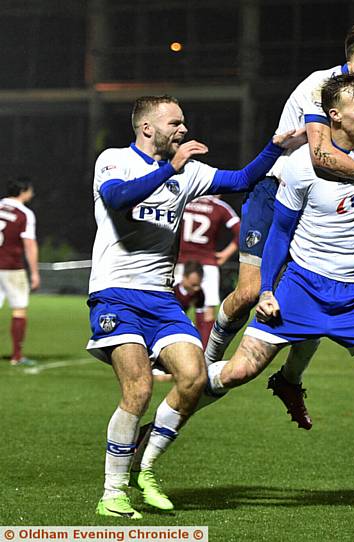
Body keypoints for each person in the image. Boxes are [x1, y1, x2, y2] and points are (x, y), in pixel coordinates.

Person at [203, 73, 354, 526]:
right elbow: (280, 232)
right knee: (240, 371)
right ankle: (161, 425)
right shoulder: (304, 162)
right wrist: (267, 288)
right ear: (334, 116)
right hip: (302, 288)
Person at [86, 94, 305, 519]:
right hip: (116, 293)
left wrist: (276, 147)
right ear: (147, 128)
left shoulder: (188, 173)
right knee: (139, 389)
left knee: (193, 377)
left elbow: (242, 179)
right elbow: (117, 200)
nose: (183, 129)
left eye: (183, 122)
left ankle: (145, 469)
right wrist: (172, 168)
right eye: (175, 123)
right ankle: (112, 492)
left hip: (162, 299)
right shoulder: (115, 160)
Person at [206, 19, 354, 431]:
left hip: (319, 203)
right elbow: (321, 157)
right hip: (278, 190)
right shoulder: (320, 85)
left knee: (314, 285)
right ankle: (207, 361)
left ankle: (290, 380)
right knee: (250, 293)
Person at [174, 195, 240, 341]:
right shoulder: (219, 206)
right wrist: (225, 254)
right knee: (207, 313)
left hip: (180, 261)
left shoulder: (184, 200)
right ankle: (204, 357)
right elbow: (241, 231)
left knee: (171, 307)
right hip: (207, 263)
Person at [0, 177, 40, 366]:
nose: (32, 194)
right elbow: (29, 244)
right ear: (23, 191)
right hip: (11, 267)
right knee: (19, 309)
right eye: (30, 190)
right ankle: (17, 356)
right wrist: (34, 273)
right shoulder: (24, 214)